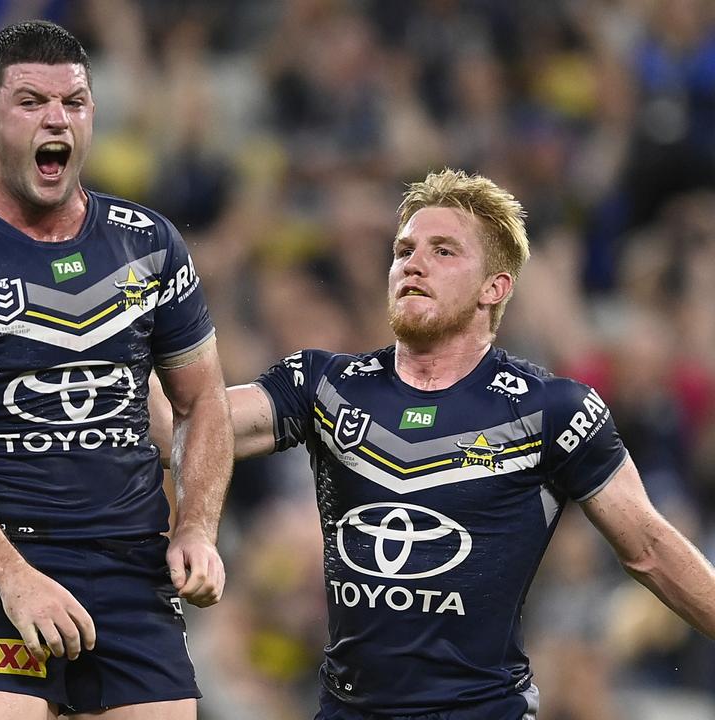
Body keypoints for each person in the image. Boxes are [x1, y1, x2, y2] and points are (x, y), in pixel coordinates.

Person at [154, 168, 715, 719]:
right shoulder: (324, 384)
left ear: (495, 288)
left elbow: (649, 548)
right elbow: (188, 423)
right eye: (403, 250)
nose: (412, 263)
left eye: (444, 251)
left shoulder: (552, 408)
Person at [0, 20, 234, 720]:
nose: (57, 119)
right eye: (32, 102)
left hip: (135, 572)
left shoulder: (149, 242)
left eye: (73, 102)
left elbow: (203, 404)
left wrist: (196, 527)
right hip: (3, 574)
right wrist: (14, 578)